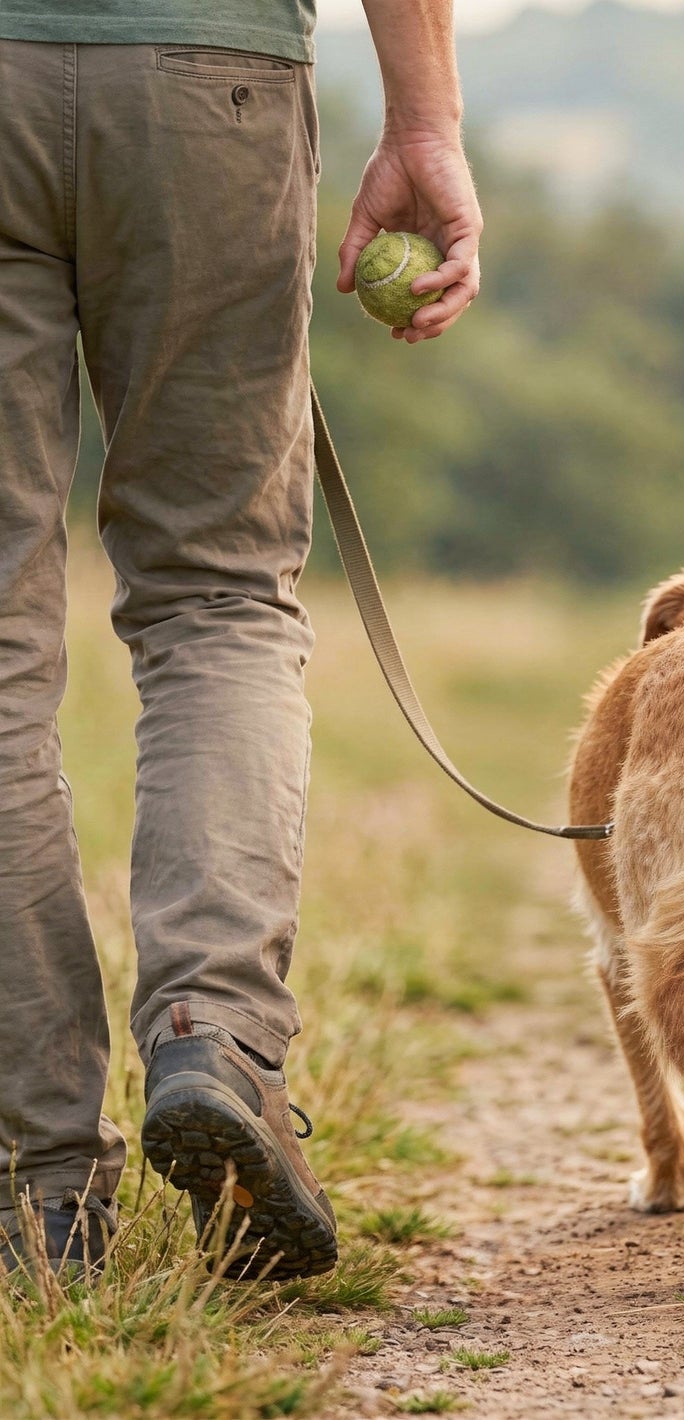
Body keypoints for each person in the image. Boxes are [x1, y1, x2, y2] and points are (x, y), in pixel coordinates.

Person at [0, 0, 482, 1279]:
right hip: (207, 77)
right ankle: (213, 1035)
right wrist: (425, 119)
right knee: (215, 596)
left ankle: (36, 1186)